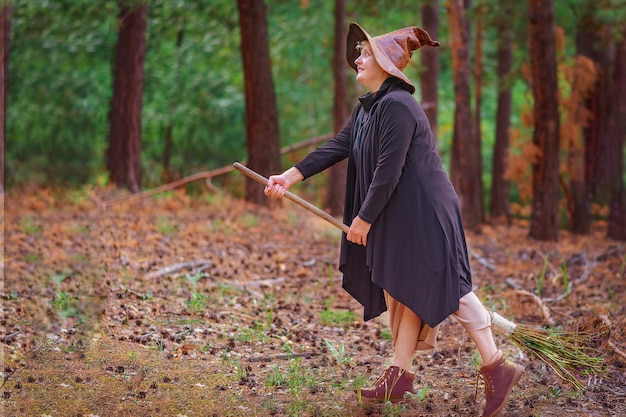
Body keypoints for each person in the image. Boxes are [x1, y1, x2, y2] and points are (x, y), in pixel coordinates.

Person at [264, 22, 524, 417]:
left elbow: (389, 169)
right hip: (402, 213)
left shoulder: (399, 106)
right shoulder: (368, 107)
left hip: (427, 212)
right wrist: (291, 174)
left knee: (448, 287)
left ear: (384, 63)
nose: (357, 58)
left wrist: (364, 219)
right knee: (406, 289)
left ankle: (496, 366)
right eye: (358, 53)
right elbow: (340, 144)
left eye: (364, 53)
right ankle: (399, 374)